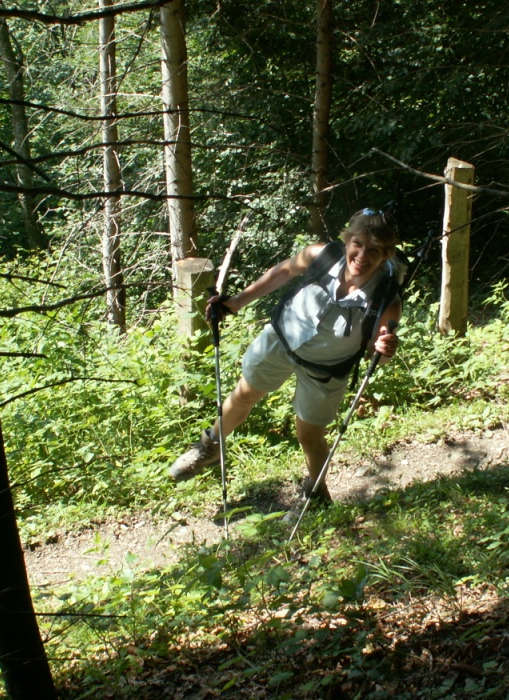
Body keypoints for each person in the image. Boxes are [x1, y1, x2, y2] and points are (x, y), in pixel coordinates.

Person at [168, 207, 404, 505]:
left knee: (309, 434)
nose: (362, 255)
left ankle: (316, 494)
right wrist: (237, 301)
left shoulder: (385, 298)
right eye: (357, 244)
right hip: (281, 341)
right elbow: (284, 271)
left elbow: (375, 354)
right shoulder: (321, 255)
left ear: (386, 255)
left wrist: (385, 350)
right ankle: (209, 448)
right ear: (347, 240)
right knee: (242, 395)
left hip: (326, 368)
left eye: (374, 250)